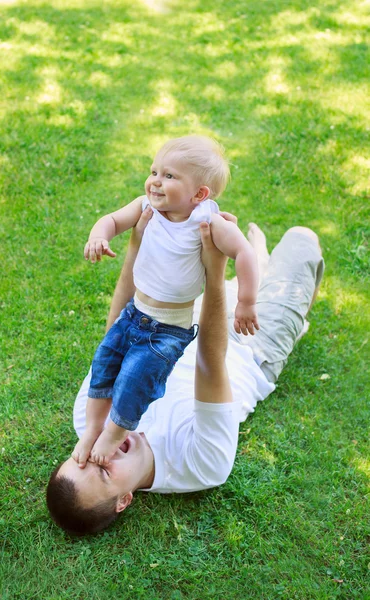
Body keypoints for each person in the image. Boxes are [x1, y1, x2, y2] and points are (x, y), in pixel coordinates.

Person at [46, 215, 324, 536]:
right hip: (251, 347)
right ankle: (280, 298)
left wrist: (138, 240)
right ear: (124, 500)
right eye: (104, 472)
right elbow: (211, 362)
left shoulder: (89, 421)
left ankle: (256, 266)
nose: (100, 453)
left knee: (209, 249)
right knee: (301, 237)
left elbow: (120, 331)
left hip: (179, 323)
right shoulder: (200, 467)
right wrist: (214, 270)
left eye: (83, 458)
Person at [73, 136, 259, 467]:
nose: (155, 181)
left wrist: (245, 301)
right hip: (133, 314)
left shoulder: (206, 223)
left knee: (135, 381)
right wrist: (98, 236)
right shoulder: (146, 207)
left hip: (166, 331)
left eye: (169, 176)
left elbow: (243, 252)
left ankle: (115, 434)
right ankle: (93, 430)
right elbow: (112, 220)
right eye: (154, 171)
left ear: (199, 194)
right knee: (102, 367)